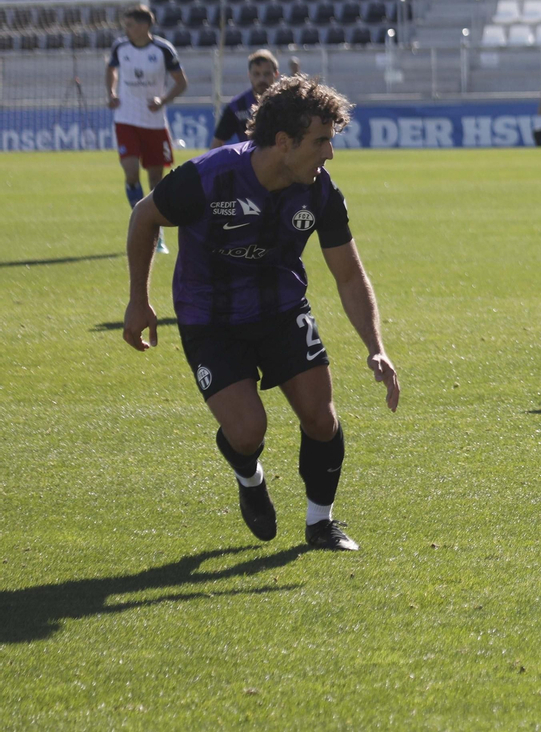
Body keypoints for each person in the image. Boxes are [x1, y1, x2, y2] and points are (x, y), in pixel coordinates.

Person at [123, 75, 400, 552]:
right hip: (209, 317)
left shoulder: (321, 192)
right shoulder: (209, 177)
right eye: (321, 142)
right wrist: (137, 299)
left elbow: (350, 276)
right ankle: (249, 478)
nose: (329, 154)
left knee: (320, 418)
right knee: (248, 431)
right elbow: (144, 216)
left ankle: (321, 524)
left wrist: (376, 348)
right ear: (283, 142)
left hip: (281, 309)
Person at [108, 4, 186, 254]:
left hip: (153, 123)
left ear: (144, 26)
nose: (126, 30)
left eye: (130, 25)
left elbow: (181, 82)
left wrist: (162, 100)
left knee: (155, 181)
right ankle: (141, 223)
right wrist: (111, 91)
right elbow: (111, 69)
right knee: (131, 173)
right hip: (126, 120)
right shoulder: (120, 47)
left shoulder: (163, 49)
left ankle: (157, 232)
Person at [210, 51, 299, 150]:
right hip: (249, 162)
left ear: (276, 74)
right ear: (249, 75)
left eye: (267, 74)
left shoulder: (287, 102)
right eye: (256, 74)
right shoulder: (238, 106)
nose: (262, 79)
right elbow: (218, 142)